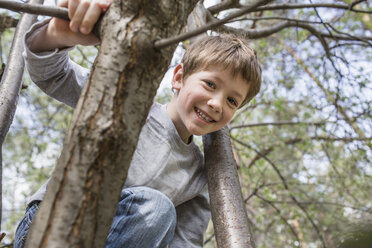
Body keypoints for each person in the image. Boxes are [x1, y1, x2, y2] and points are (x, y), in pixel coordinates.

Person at [14, 0, 262, 247]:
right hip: (51, 223)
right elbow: (53, 74)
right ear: (178, 77)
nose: (217, 103)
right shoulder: (129, 102)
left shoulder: (198, 175)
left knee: (160, 212)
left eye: (232, 100)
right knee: (157, 208)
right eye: (210, 84)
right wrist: (58, 34)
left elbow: (185, 242)